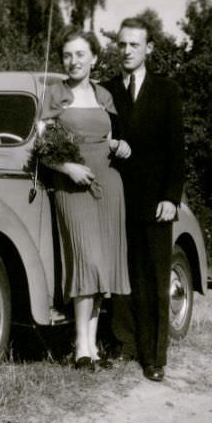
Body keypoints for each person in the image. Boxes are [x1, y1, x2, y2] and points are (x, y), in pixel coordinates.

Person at [41, 28, 131, 371]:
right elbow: (42, 148)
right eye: (67, 55)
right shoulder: (55, 94)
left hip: (108, 184)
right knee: (87, 262)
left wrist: (119, 146)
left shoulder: (104, 95)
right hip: (72, 186)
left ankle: (92, 349)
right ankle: (80, 344)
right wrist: (68, 168)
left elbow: (105, 139)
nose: (73, 61)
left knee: (101, 267)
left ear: (94, 58)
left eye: (80, 54)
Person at [102, 18, 187, 382]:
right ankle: (126, 345)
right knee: (123, 276)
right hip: (116, 199)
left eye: (134, 45)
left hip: (155, 203)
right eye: (122, 44)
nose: (126, 51)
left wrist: (171, 197)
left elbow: (177, 152)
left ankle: (154, 357)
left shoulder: (167, 91)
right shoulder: (105, 92)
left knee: (153, 279)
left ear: (149, 48)